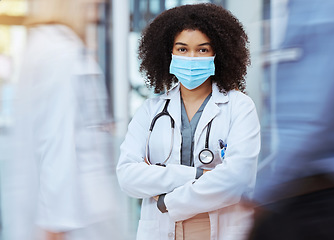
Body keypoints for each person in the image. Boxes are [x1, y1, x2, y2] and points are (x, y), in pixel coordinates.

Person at [117, 3, 260, 240]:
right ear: (168, 53)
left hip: (217, 227)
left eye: (202, 50)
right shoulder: (151, 110)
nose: (192, 57)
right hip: (161, 230)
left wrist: (167, 200)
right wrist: (199, 174)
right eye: (182, 49)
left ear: (218, 53)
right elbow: (128, 176)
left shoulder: (240, 107)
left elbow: (237, 180)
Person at [2, 0, 123, 240]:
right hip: (77, 219)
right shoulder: (60, 53)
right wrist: (56, 225)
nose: (100, 2)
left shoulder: (46, 45)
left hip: (76, 213)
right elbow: (57, 140)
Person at [248, 0, 334, 239]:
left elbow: (309, 119)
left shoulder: (319, 9)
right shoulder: (289, 11)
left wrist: (258, 192)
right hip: (294, 196)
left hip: (308, 200)